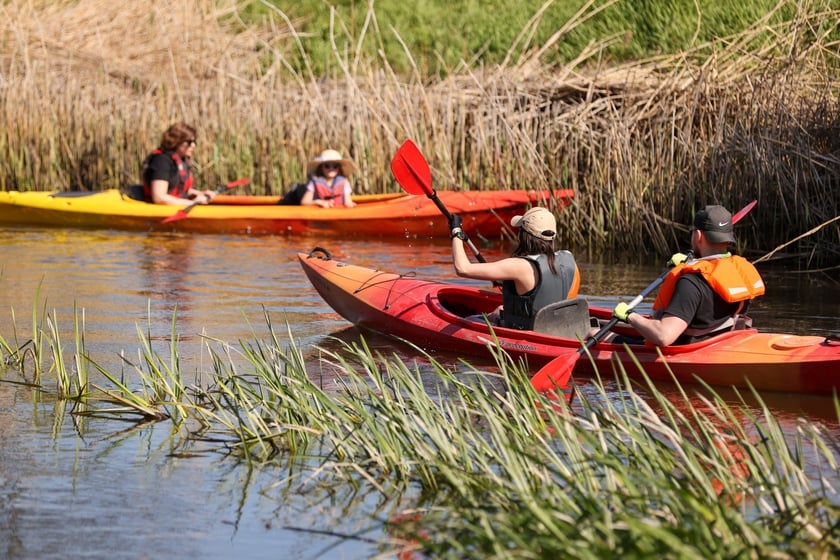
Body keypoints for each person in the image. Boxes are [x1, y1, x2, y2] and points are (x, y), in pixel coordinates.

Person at [604, 204, 765, 346]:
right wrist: (691, 262)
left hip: (685, 350)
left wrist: (630, 316)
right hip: (718, 341)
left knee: (592, 332)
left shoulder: (691, 282)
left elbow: (664, 336)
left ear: (698, 235)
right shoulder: (738, 273)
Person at [449, 206, 580, 330]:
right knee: (499, 310)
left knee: (469, 320)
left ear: (523, 235)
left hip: (528, 333)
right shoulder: (568, 258)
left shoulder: (519, 266)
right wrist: (514, 284)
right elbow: (562, 295)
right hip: (558, 327)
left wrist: (456, 232)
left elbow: (462, 268)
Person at [141, 122, 218, 206]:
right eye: (189, 142)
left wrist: (200, 193)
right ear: (176, 141)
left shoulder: (181, 160)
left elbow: (179, 189)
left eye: (194, 142)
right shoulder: (161, 161)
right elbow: (159, 197)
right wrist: (193, 203)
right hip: (160, 212)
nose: (193, 145)